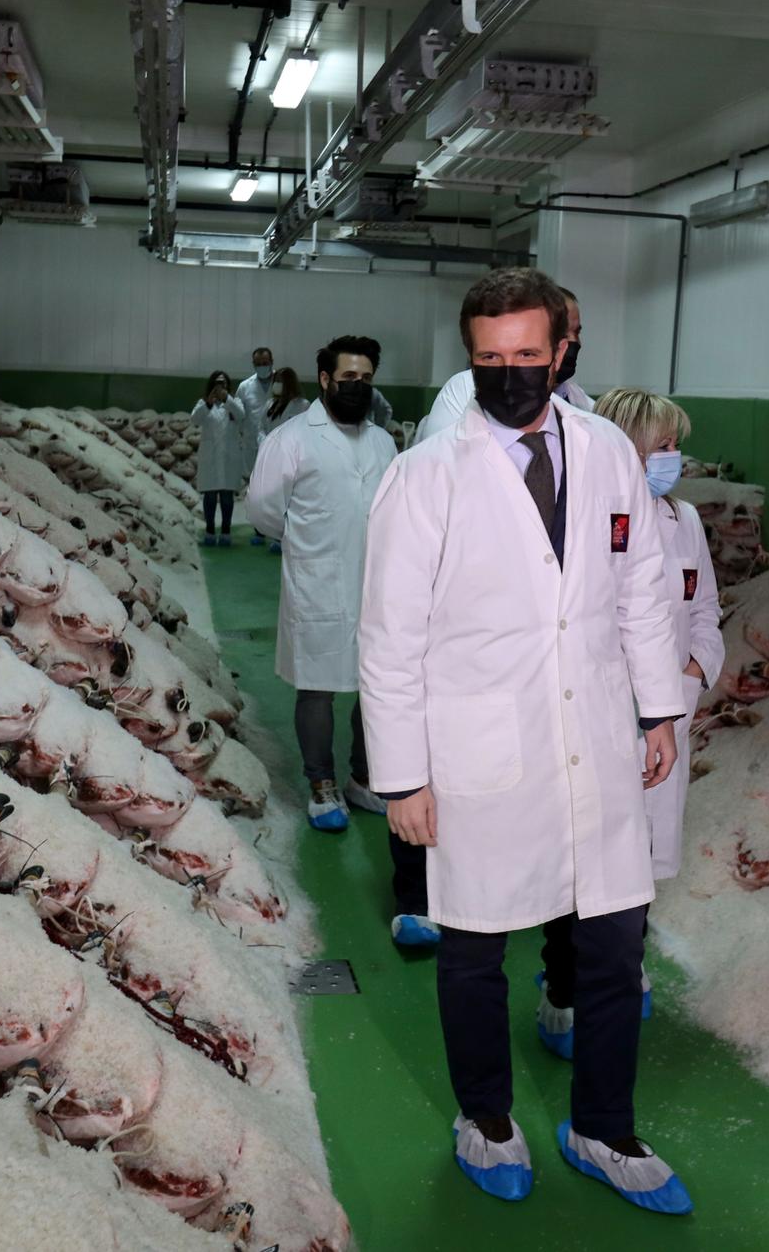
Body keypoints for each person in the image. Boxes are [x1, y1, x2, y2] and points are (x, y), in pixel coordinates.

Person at [359, 267, 693, 1213]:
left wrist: (659, 710)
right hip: (477, 750)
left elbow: (640, 586)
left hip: (593, 734)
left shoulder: (604, 453)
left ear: (562, 352)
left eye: (527, 357)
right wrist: (404, 779)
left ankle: (603, 1127)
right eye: (488, 360)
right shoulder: (425, 475)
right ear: (472, 360)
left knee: (615, 944)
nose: (509, 375)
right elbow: (389, 639)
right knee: (473, 950)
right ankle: (488, 1121)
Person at [534, 388, 724, 1056]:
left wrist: (688, 681)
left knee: (640, 860)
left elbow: (704, 617)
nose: (674, 457)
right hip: (597, 726)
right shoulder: (582, 521)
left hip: (665, 726)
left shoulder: (684, 519)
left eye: (676, 444)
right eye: (662, 445)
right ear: (624, 448)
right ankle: (564, 988)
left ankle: (625, 964)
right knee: (585, 865)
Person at [248, 338, 399, 840]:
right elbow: (265, 510)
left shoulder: (381, 441)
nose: (358, 387)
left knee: (372, 688)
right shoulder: (292, 438)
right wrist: (307, 540)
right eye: (349, 378)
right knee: (317, 689)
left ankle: (361, 777)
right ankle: (322, 783)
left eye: (366, 379)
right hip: (318, 582)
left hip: (375, 584)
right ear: (326, 379)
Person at [415, 284, 594, 442]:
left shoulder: (579, 400)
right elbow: (439, 464)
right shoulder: (463, 388)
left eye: (576, 333)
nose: (574, 343)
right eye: (563, 333)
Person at [255, 366, 311, 554]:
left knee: (290, 501)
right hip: (271, 458)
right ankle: (276, 536)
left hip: (292, 460)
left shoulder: (302, 405)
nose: (277, 384)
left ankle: (289, 538)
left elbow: (306, 432)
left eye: (280, 380)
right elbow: (260, 427)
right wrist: (266, 442)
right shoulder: (270, 403)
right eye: (276, 380)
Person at [190, 370, 245, 547]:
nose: (220, 387)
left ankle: (226, 531)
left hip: (229, 457)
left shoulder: (234, 402)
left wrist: (227, 398)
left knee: (227, 495)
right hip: (211, 458)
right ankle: (210, 530)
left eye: (224, 384)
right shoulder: (204, 404)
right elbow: (195, 420)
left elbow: (241, 415)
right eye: (217, 384)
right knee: (210, 496)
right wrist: (208, 402)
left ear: (228, 386)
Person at [234, 347, 276, 544]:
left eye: (265, 362)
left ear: (272, 361)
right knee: (257, 490)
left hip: (277, 445)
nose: (262, 367)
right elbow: (238, 414)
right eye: (258, 364)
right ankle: (259, 530)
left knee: (277, 489)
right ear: (253, 365)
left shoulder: (282, 383)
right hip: (253, 444)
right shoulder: (245, 387)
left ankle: (276, 529)